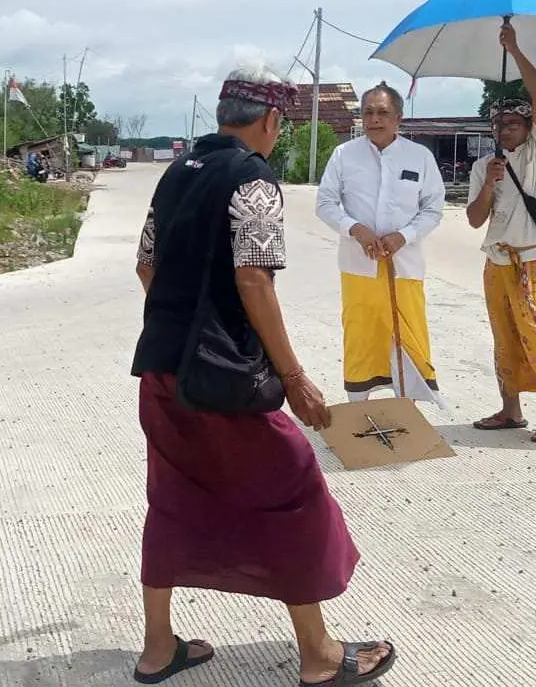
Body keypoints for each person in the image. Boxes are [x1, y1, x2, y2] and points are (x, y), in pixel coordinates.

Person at [130, 63, 397, 686]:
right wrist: (295, 375)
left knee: (172, 500)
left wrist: (179, 325)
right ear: (273, 119)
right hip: (222, 381)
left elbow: (146, 264)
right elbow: (253, 277)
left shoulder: (176, 172)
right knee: (293, 491)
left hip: (161, 368)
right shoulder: (253, 180)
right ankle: (320, 655)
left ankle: (156, 648)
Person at [466, 22, 536, 444]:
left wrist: (514, 48)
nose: (505, 128)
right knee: (505, 336)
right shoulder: (482, 167)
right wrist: (490, 183)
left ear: (529, 128)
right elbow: (475, 220)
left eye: (514, 122)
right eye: (499, 123)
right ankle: (511, 411)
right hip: (499, 261)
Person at [315, 82, 447, 408]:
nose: (374, 119)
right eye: (368, 112)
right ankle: (359, 410)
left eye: (382, 112)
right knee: (361, 336)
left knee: (409, 335)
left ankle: (407, 412)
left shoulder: (420, 157)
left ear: (398, 118)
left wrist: (405, 235)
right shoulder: (344, 155)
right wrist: (354, 229)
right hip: (358, 266)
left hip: (405, 267)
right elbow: (325, 203)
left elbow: (433, 208)